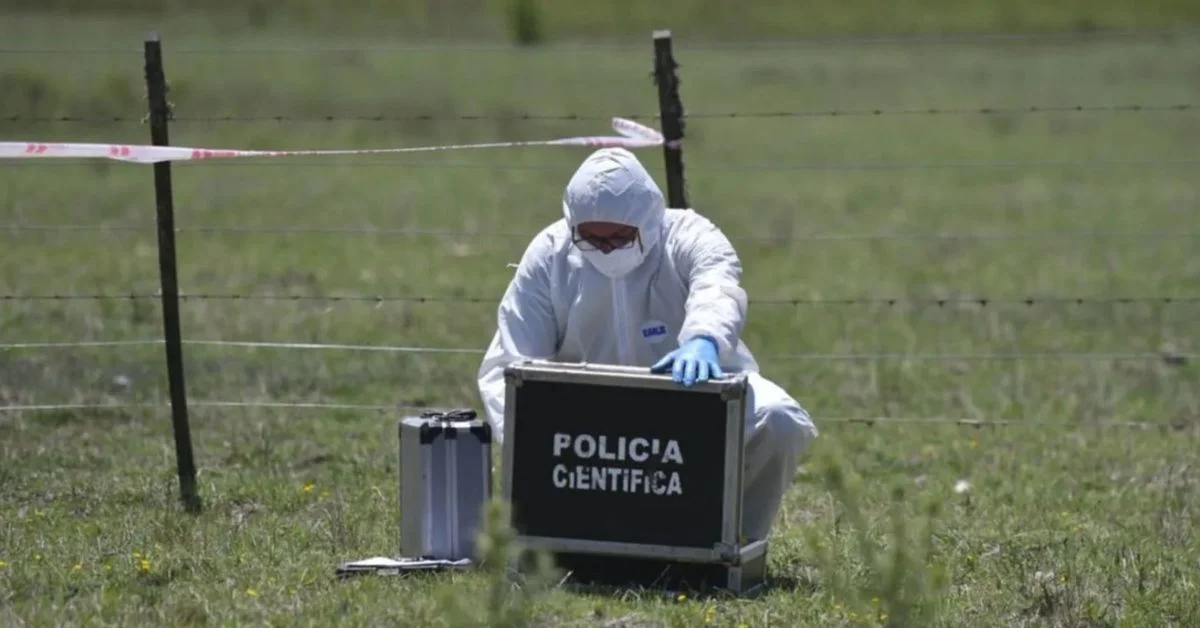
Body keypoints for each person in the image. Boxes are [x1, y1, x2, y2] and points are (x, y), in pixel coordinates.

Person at [476, 147, 817, 541]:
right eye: (591, 238)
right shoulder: (549, 254)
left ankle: (731, 542)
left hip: (694, 396)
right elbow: (515, 362)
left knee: (779, 420)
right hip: (586, 416)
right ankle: (571, 540)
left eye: (621, 237)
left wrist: (704, 338)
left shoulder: (689, 234)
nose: (606, 250)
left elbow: (718, 284)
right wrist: (541, 432)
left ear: (648, 220)